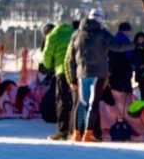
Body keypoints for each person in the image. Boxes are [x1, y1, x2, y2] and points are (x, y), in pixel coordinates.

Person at [66, 8, 112, 141]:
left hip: (81, 74)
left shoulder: (76, 34)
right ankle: (88, 133)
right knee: (93, 104)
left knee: (80, 103)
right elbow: (108, 54)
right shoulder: (101, 34)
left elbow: (69, 59)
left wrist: (72, 78)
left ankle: (76, 133)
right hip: (97, 74)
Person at [41, 16, 76, 140]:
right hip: (75, 70)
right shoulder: (72, 32)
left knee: (62, 100)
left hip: (61, 70)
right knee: (75, 100)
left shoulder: (52, 37)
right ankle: (74, 130)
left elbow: (46, 57)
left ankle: (62, 131)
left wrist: (48, 66)